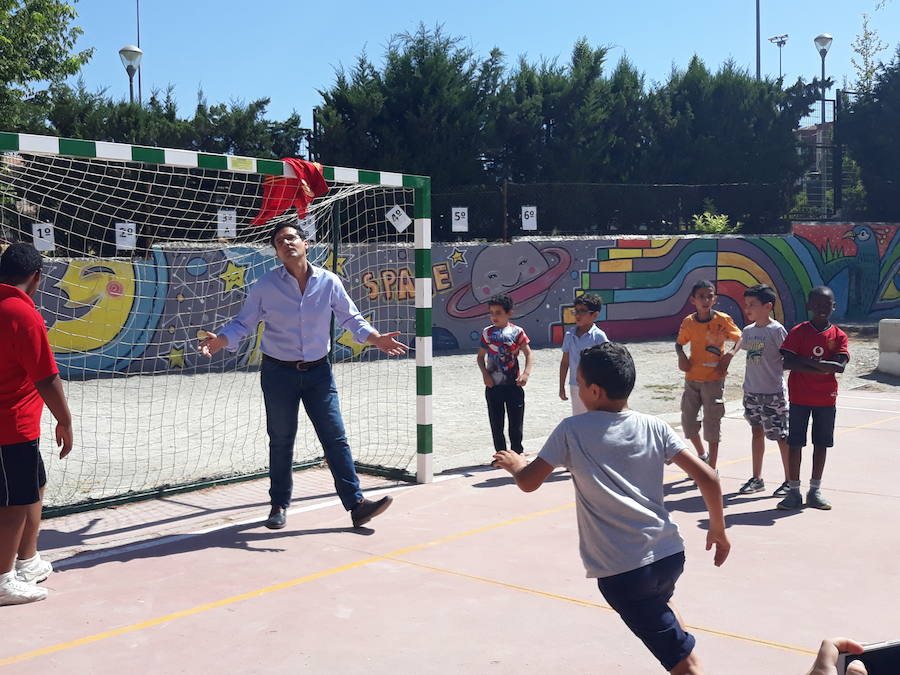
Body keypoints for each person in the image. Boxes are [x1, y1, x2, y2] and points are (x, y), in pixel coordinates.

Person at [493, 342, 730, 675]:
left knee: (683, 665)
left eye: (577, 381)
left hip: (625, 571)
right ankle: (682, 649)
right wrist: (718, 529)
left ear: (593, 390)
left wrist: (516, 464)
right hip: (668, 555)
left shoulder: (571, 430)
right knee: (660, 610)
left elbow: (530, 482)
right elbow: (709, 478)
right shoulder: (655, 426)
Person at [199, 223, 407, 530]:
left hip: (318, 373)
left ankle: (357, 505)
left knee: (335, 439)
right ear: (276, 252)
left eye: (291, 237)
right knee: (281, 441)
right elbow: (243, 324)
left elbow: (352, 318)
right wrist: (221, 341)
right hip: (278, 373)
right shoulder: (265, 285)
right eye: (279, 241)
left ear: (305, 243)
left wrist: (376, 338)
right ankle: (278, 505)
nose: (286, 242)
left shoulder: (328, 282)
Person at [0, 243, 73, 606]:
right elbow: (46, 377)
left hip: (19, 426)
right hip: (9, 427)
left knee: (35, 487)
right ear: (37, 278)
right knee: (13, 505)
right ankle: (3, 579)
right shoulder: (21, 314)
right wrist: (65, 420)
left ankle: (27, 561)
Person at [777, 286, 849, 511]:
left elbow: (839, 366)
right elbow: (787, 362)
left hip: (826, 400)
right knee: (795, 443)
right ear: (809, 306)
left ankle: (815, 490)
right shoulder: (799, 331)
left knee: (821, 444)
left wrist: (806, 362)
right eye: (816, 305)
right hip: (799, 398)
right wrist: (820, 365)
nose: (821, 309)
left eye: (826, 305)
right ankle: (794, 491)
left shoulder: (838, 335)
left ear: (833, 306)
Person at [675, 280, 741, 469]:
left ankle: (711, 469)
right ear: (693, 300)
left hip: (714, 379)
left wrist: (729, 354)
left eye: (709, 296)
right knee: (688, 423)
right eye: (701, 296)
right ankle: (702, 455)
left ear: (715, 299)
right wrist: (681, 357)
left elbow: (740, 338)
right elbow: (679, 343)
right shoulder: (689, 322)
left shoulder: (722, 320)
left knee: (712, 423)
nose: (705, 300)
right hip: (692, 379)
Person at [736, 284, 791, 496]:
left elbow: (787, 359)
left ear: (767, 306)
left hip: (773, 394)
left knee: (780, 437)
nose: (747, 309)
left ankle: (789, 480)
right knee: (756, 432)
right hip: (751, 393)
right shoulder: (748, 332)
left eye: (752, 305)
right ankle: (757, 478)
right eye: (746, 305)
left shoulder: (776, 331)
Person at [477, 293, 533, 458]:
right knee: (496, 422)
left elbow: (529, 354)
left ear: (509, 313)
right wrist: (485, 375)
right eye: (492, 312)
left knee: (516, 422)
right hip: (493, 386)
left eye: (498, 312)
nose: (494, 316)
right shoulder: (487, 333)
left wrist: (526, 374)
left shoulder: (517, 332)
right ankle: (500, 454)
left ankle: (517, 452)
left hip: (513, 385)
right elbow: (480, 357)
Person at [558, 293, 608, 415]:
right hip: (575, 385)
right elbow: (565, 362)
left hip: (594, 386)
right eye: (576, 311)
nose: (578, 315)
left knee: (595, 417)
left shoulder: (599, 336)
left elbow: (607, 363)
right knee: (579, 417)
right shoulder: (569, 335)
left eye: (583, 311)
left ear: (595, 315)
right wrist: (561, 386)